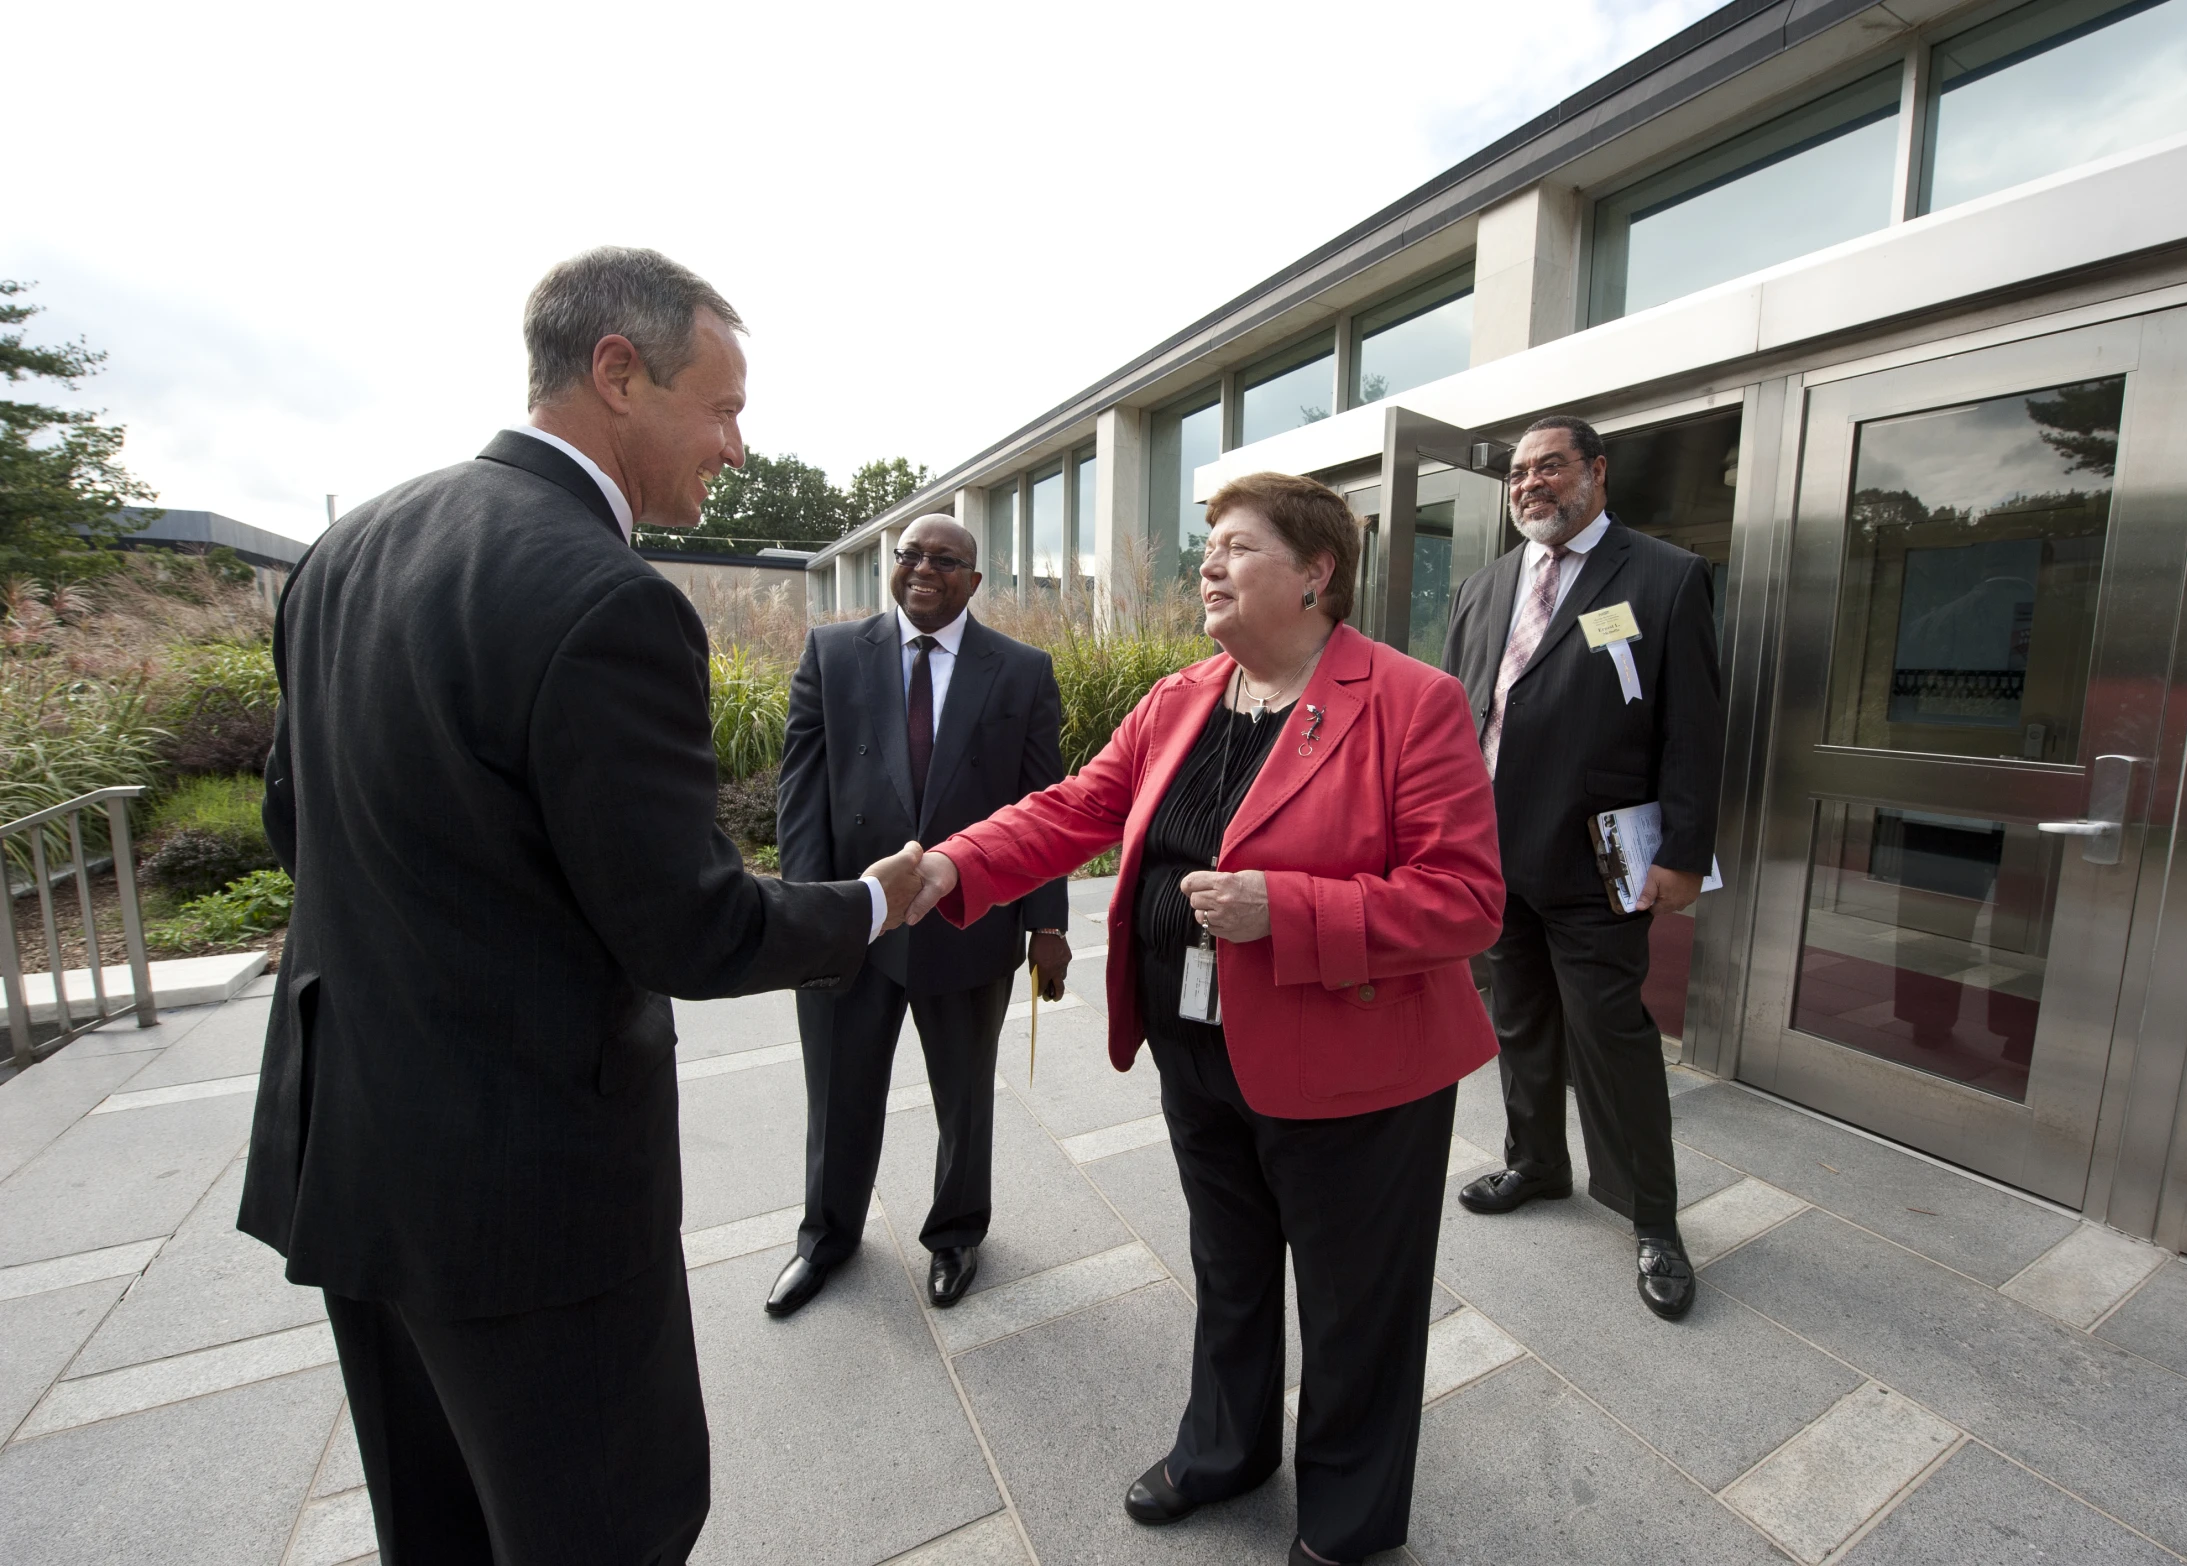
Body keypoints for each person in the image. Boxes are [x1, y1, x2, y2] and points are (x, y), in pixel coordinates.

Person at [238, 246, 925, 1566]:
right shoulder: (607, 598)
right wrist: (872, 902)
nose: (737, 443)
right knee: (611, 1524)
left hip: (356, 1159)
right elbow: (688, 925)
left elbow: (292, 821)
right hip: (526, 1199)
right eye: (721, 406)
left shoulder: (345, 550)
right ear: (618, 372)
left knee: (430, 1526)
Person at [905, 472, 1503, 1566]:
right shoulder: (1184, 697)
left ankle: (1346, 1522)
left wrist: (1289, 907)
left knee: (1352, 1305)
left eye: (1234, 546)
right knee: (1229, 1268)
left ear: (1317, 574)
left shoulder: (1413, 701)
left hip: (1357, 1068)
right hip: (1199, 1045)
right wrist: (953, 865)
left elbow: (1465, 901)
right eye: (1206, 548)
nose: (1208, 567)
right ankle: (1225, 1449)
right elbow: (1075, 806)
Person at [1439, 413, 1725, 1321]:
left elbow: (1692, 729)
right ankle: (1536, 1161)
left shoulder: (1663, 577)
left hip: (1599, 861)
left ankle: (1652, 1219)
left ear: (1596, 473)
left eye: (1551, 467)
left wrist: (1683, 852)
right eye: (1519, 473)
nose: (1531, 484)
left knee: (1612, 1037)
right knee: (1517, 1019)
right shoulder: (1484, 588)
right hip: (1490, 855)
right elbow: (1455, 725)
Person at [764, 513, 1072, 1318]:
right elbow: (800, 799)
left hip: (969, 922)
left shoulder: (1021, 670)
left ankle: (957, 1234)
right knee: (836, 1091)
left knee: (965, 1095)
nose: (923, 568)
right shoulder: (831, 654)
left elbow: (1043, 808)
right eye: (909, 555)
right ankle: (824, 1240)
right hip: (849, 924)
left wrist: (1047, 923)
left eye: (946, 559)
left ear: (974, 580)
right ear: (891, 569)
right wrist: (809, 918)